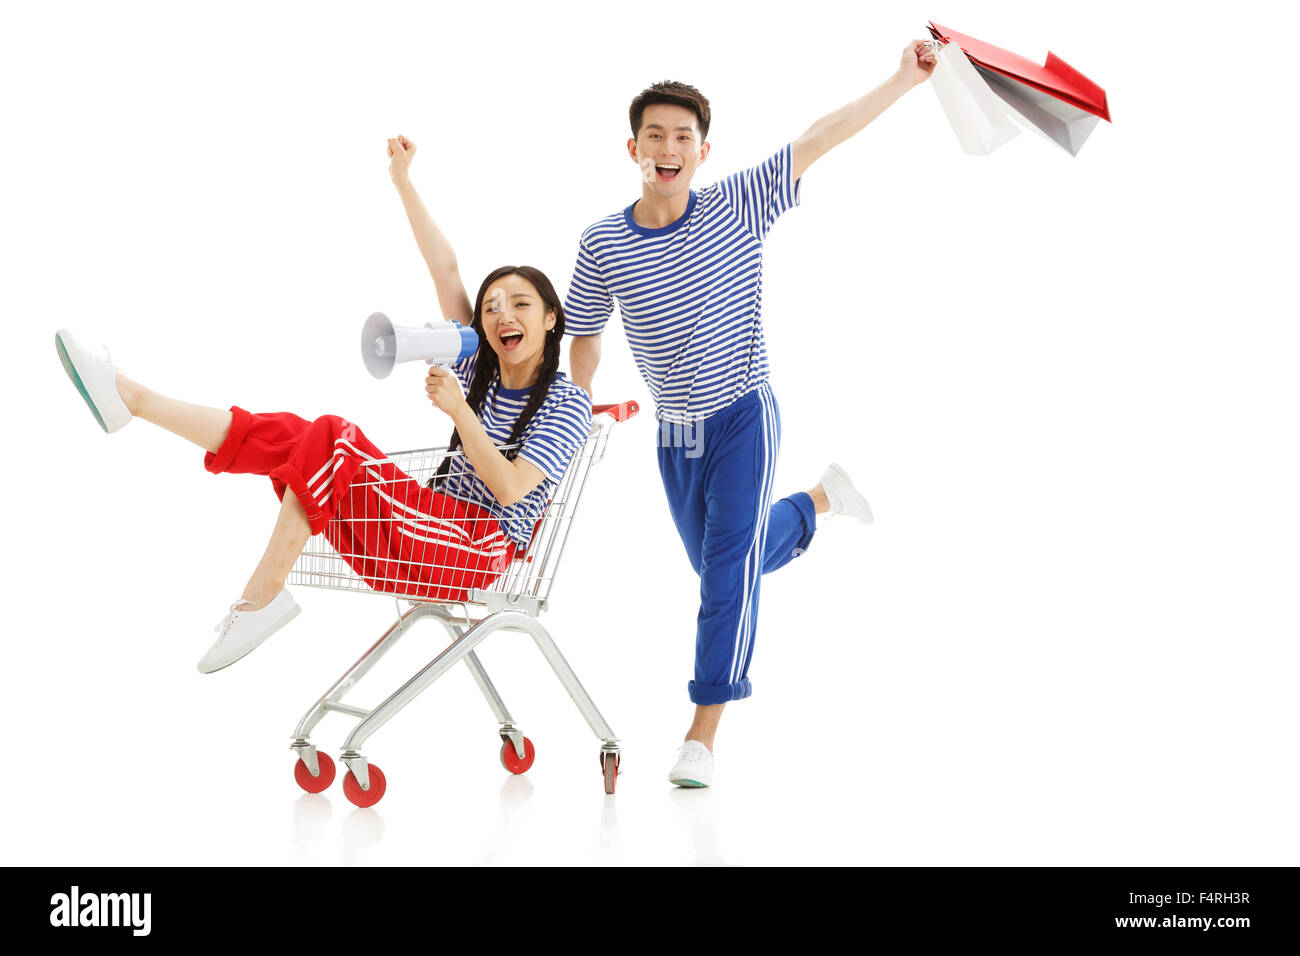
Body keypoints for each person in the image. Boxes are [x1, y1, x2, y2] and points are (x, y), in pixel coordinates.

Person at [54, 135, 591, 674]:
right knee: (298, 435)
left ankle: (260, 596)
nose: (503, 316)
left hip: (471, 547)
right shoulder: (478, 365)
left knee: (330, 435)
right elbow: (447, 272)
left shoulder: (567, 404)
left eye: (521, 304)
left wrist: (459, 412)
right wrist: (403, 181)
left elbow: (510, 486)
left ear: (550, 317)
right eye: (492, 307)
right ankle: (134, 398)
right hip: (426, 526)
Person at [564, 42, 937, 787]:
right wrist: (579, 409)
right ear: (632, 149)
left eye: (683, 138)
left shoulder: (738, 203)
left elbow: (824, 135)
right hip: (676, 435)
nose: (668, 149)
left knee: (724, 579)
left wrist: (904, 78)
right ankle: (819, 502)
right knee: (722, 568)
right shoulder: (602, 242)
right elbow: (583, 335)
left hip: (743, 415)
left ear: (704, 151)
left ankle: (701, 733)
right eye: (655, 137)